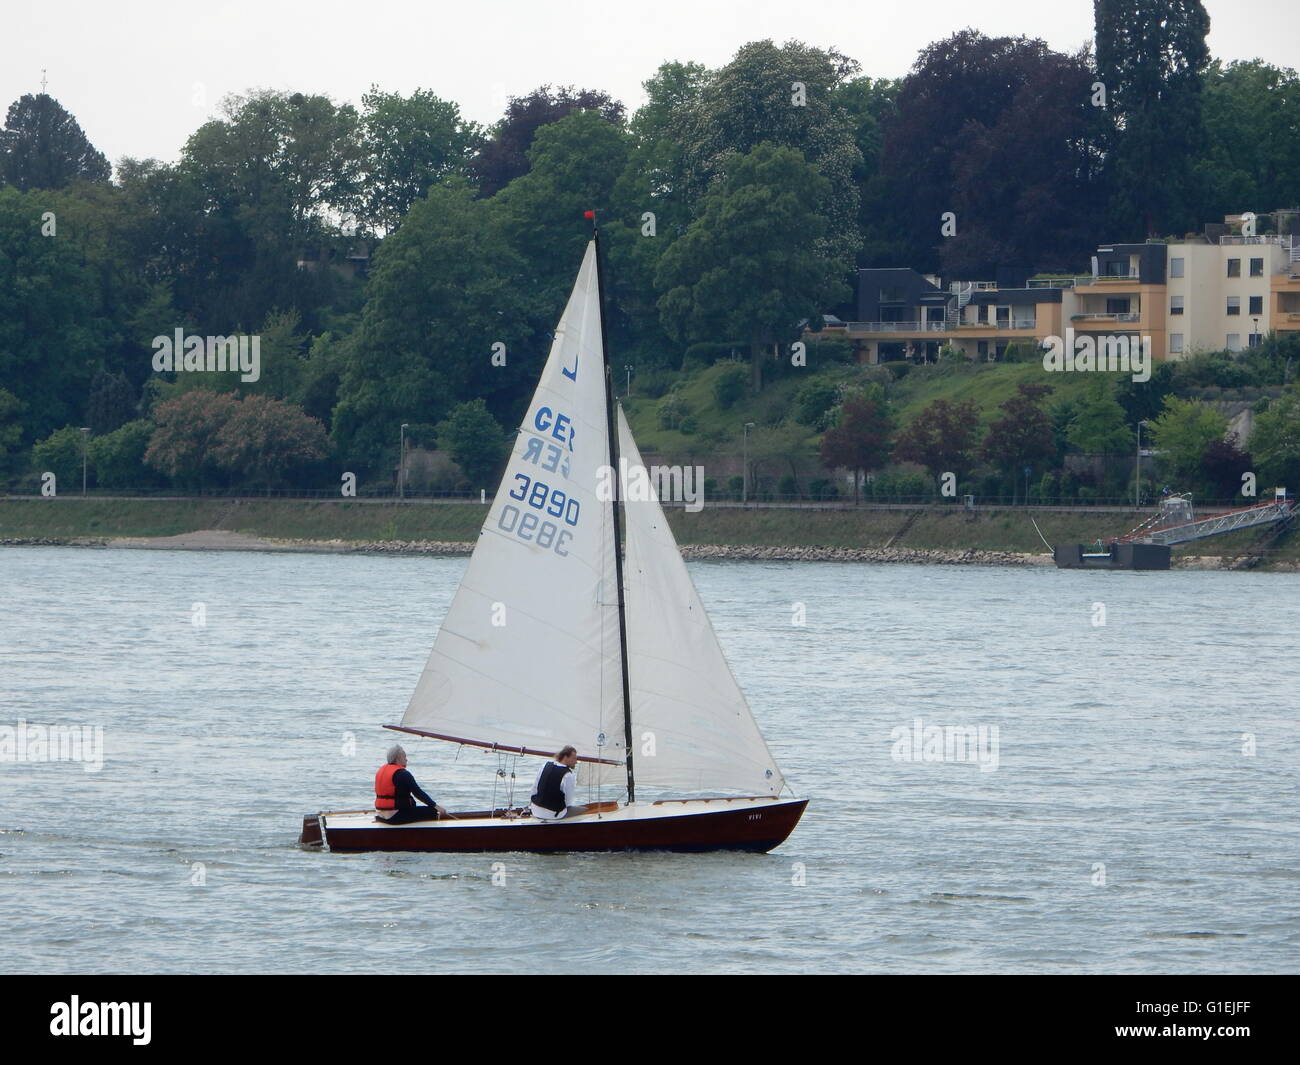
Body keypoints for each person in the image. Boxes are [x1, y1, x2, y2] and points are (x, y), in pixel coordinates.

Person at [374, 745, 448, 824]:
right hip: (395, 817)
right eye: (404, 756)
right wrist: (436, 807)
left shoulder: (381, 771)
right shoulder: (403, 774)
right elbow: (418, 793)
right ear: (398, 758)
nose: (406, 760)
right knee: (433, 811)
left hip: (380, 816)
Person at [529, 745, 589, 821]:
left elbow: (534, 789)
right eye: (574, 758)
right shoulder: (568, 775)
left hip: (535, 810)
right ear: (565, 757)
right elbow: (568, 802)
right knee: (586, 810)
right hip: (554, 815)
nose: (576, 762)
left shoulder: (545, 765)